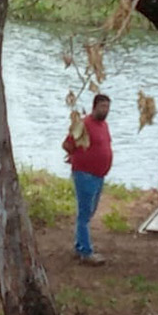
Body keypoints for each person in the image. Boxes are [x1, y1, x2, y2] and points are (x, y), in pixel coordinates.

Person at [63, 94, 113, 266]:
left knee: (89, 212)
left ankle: (79, 245)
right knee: (85, 213)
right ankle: (86, 252)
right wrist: (74, 155)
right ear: (94, 107)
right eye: (102, 106)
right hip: (84, 174)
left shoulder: (104, 125)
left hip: (99, 175)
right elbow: (67, 144)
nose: (105, 110)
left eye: (107, 107)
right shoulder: (83, 124)